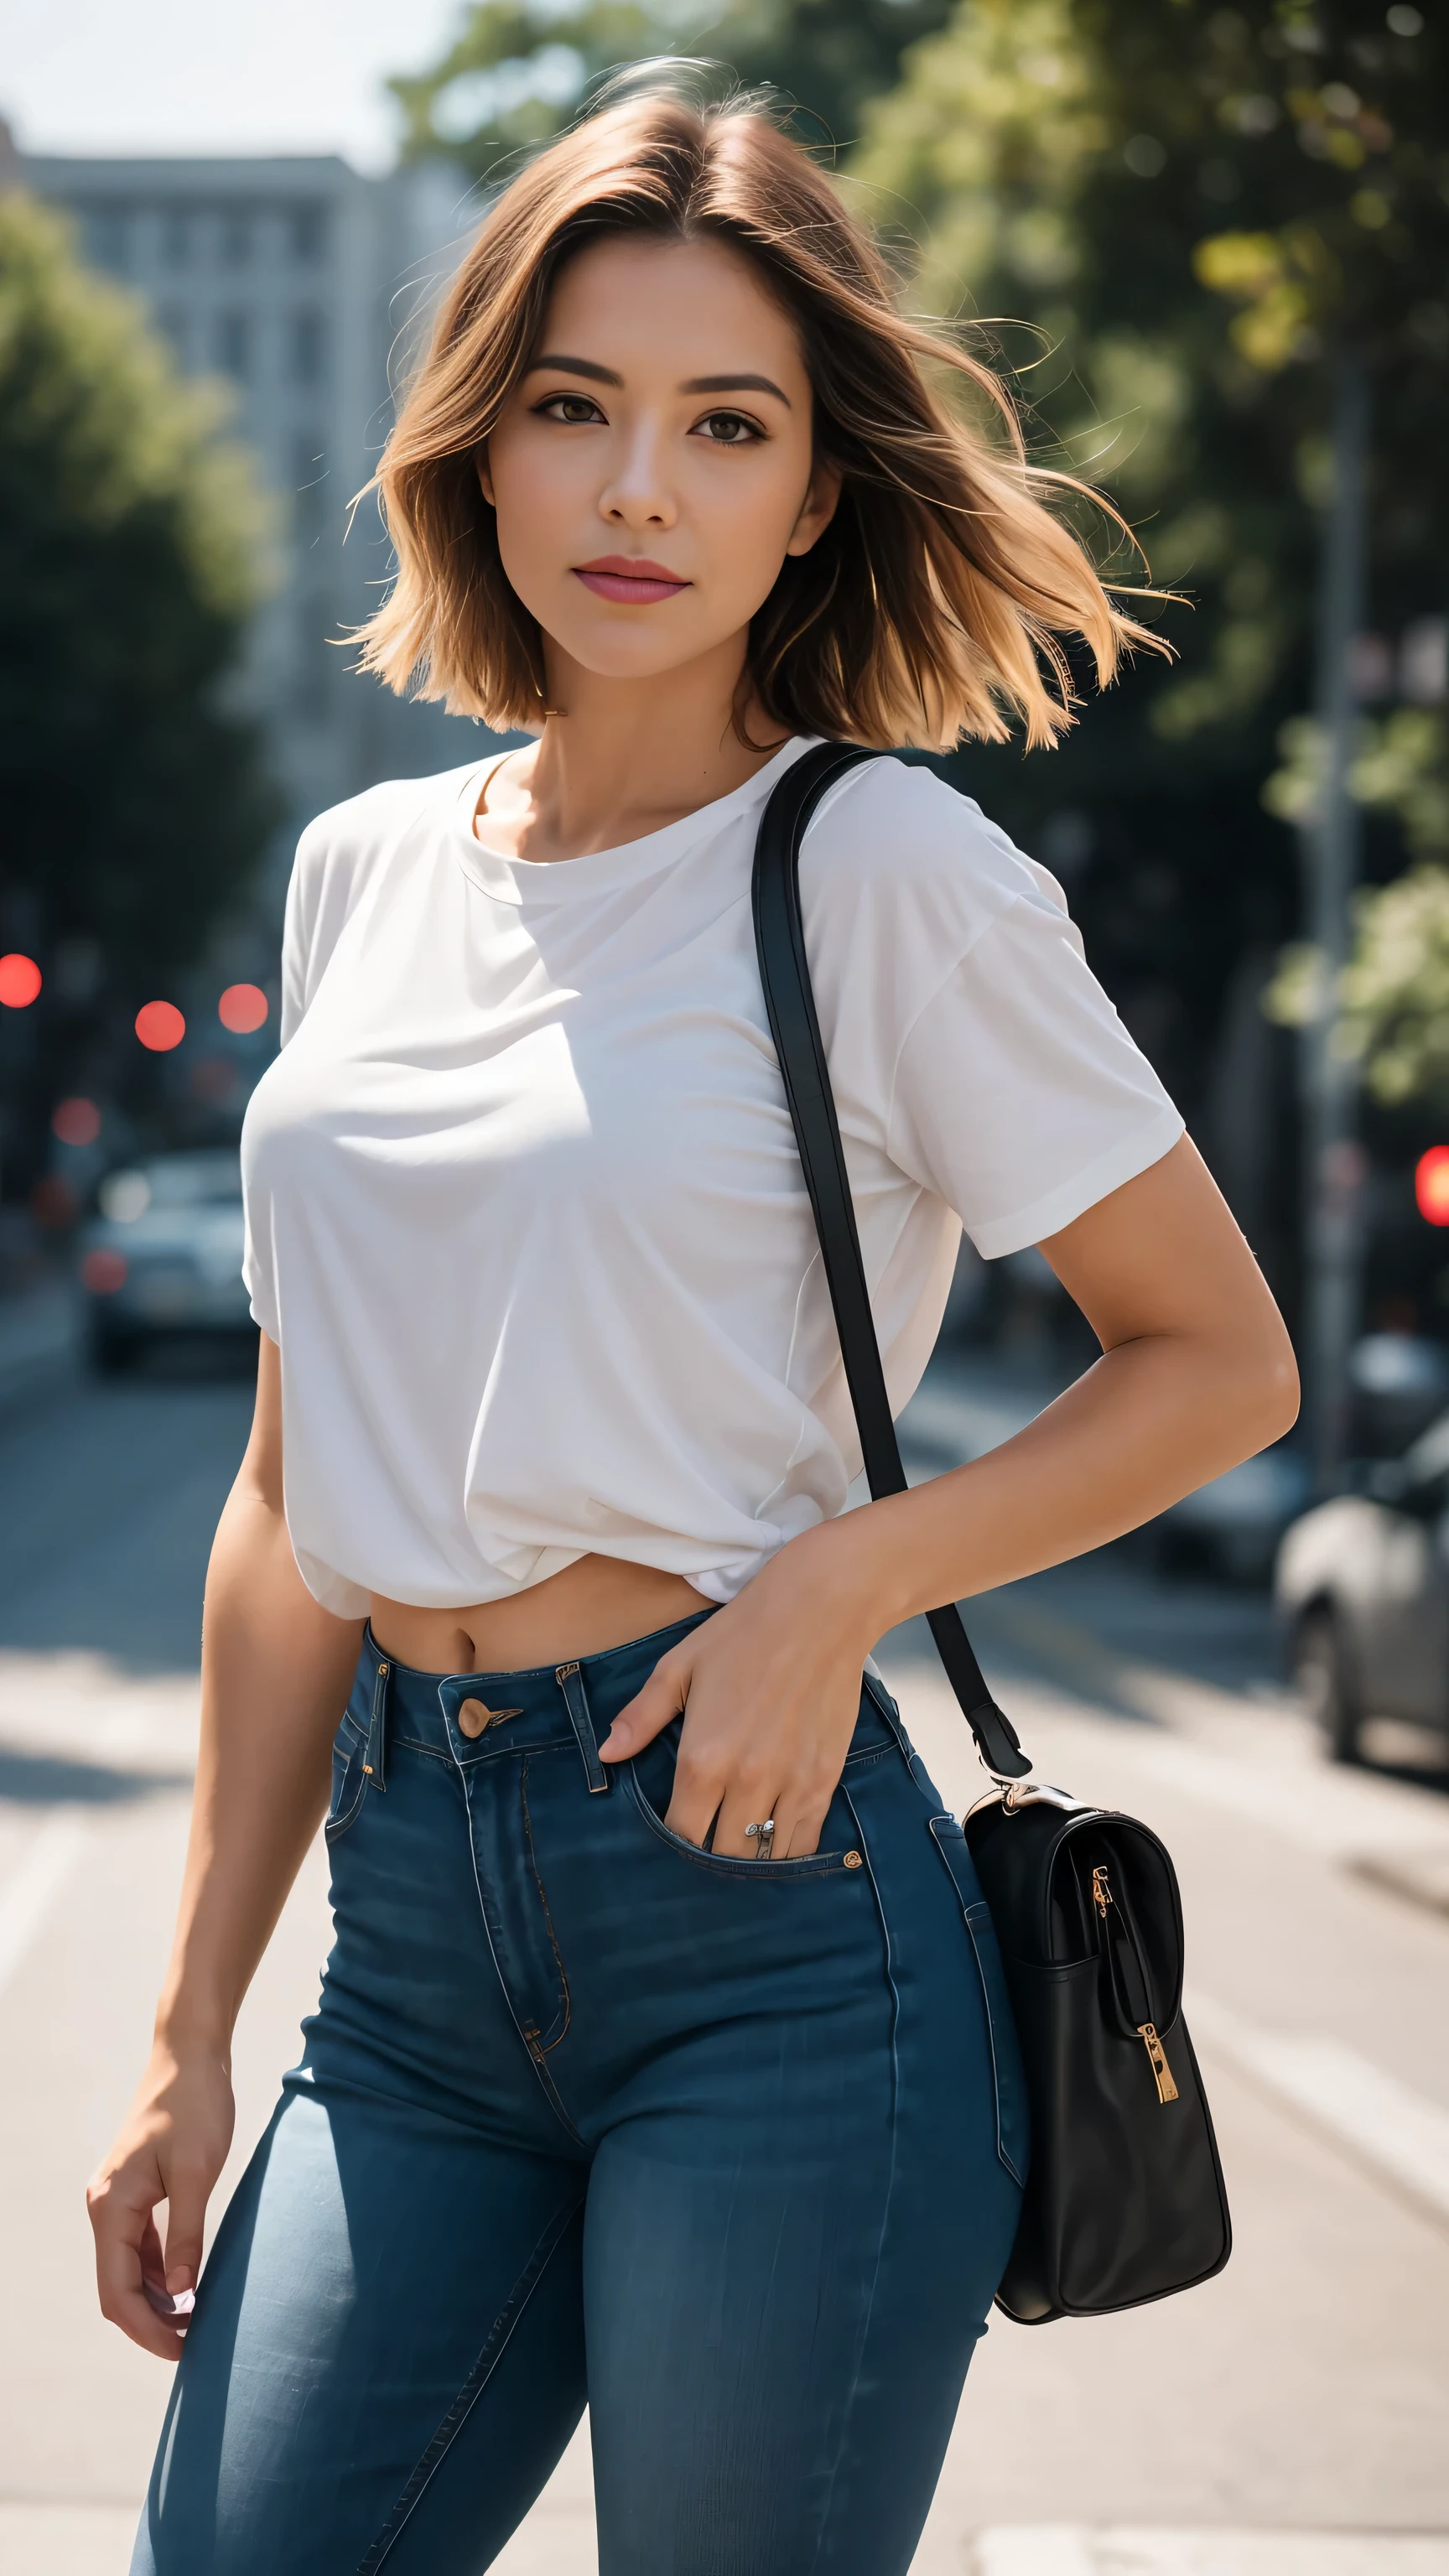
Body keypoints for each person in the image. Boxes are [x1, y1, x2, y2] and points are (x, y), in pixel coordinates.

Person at [88, 83, 1298, 2576]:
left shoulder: (880, 872)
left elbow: (1217, 1359)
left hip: (775, 1939)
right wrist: (189, 2026)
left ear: (812, 490)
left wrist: (843, 1582)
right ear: (485, 452)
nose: (641, 488)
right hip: (409, 1953)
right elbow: (289, 1511)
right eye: (577, 407)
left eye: (723, 426)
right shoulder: (360, 880)